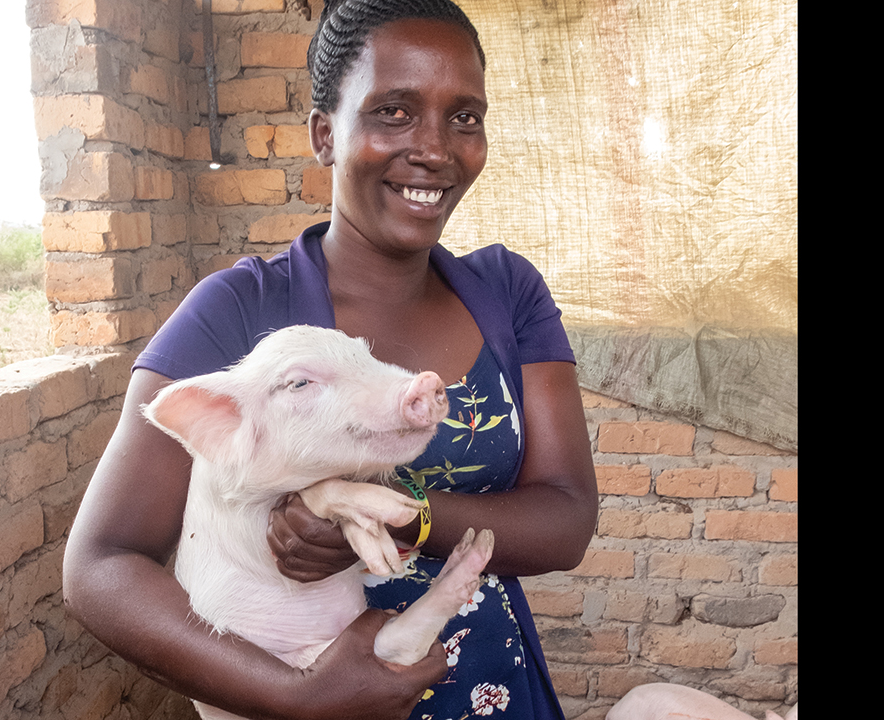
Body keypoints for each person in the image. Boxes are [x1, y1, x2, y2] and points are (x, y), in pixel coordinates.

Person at [62, 1, 600, 719]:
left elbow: (566, 520)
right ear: (325, 134)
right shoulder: (237, 313)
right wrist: (298, 698)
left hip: (490, 685)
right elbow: (101, 567)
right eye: (395, 112)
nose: (436, 149)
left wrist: (393, 516)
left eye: (464, 117)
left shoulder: (507, 292)